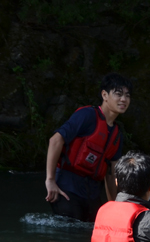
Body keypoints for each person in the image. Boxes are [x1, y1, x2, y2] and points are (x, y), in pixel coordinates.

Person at [44, 73, 131, 222]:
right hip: (67, 189)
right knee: (67, 238)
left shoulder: (117, 134)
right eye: (118, 94)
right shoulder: (87, 115)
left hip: (92, 195)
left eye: (127, 96)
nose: (124, 99)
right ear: (104, 95)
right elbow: (55, 140)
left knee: (89, 236)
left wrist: (116, 205)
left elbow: (111, 174)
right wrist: (50, 180)